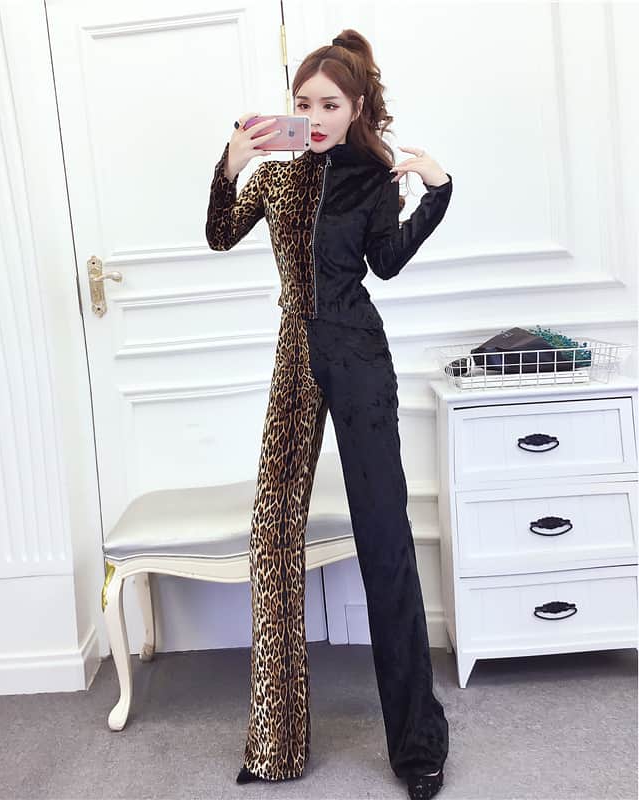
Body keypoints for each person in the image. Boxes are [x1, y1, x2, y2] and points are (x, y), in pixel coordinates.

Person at [205, 28, 452, 800]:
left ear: (355, 110)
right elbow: (219, 235)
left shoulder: (373, 180)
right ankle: (275, 745)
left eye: (330, 105)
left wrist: (437, 191)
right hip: (295, 357)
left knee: (385, 542)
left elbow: (387, 262)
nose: (314, 117)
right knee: (272, 532)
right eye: (303, 103)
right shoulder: (276, 179)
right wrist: (229, 166)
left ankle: (418, 748)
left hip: (358, 359)